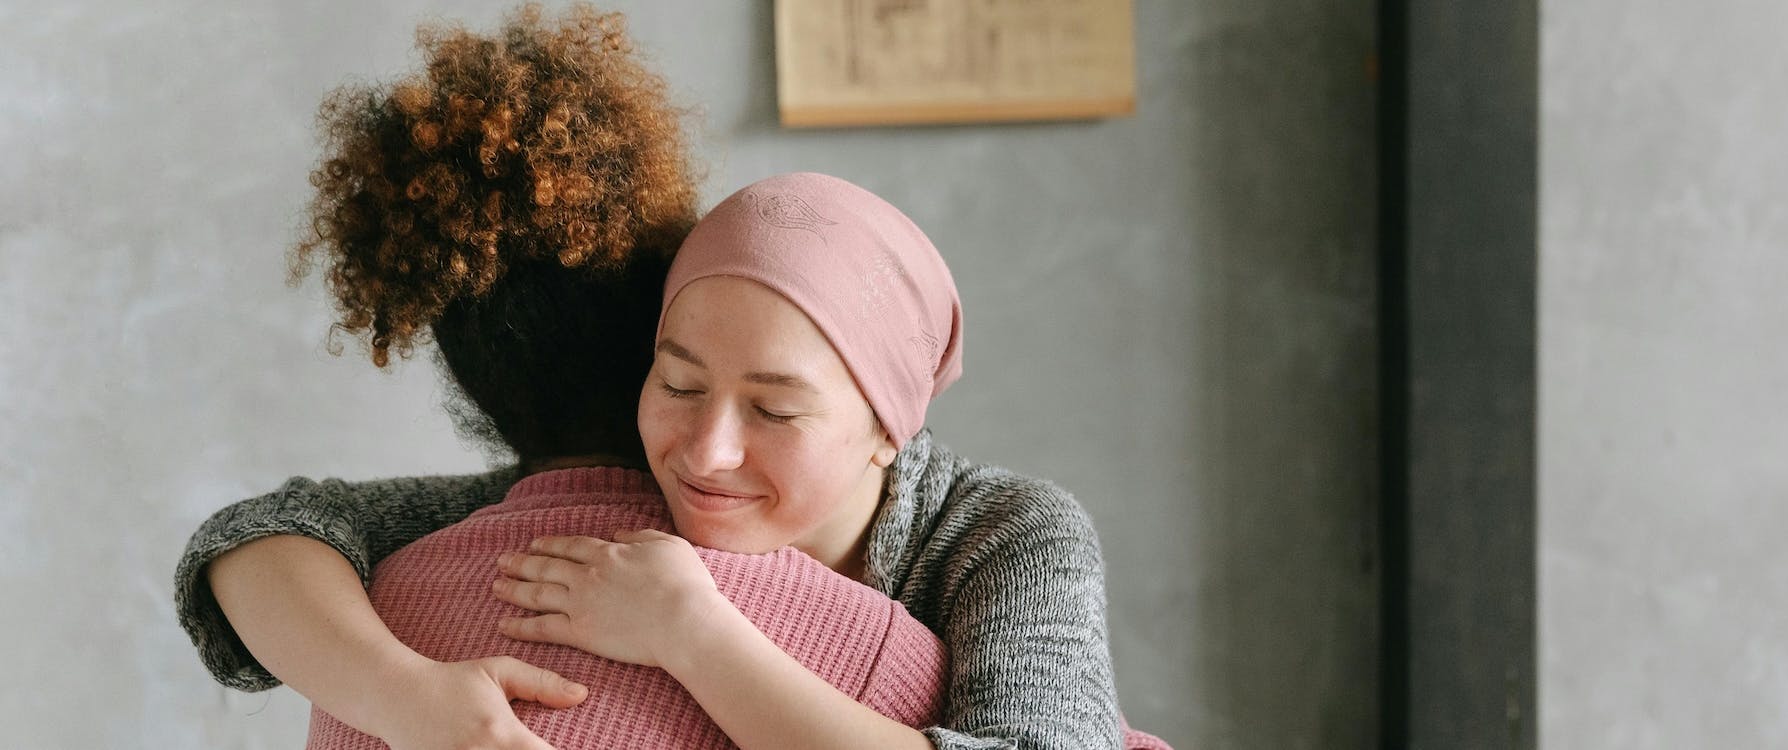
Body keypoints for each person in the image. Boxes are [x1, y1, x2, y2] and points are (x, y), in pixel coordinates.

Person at [177, 8, 1171, 750]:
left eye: (774, 407)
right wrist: (409, 699)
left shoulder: (1005, 535)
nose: (707, 449)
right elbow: (260, 539)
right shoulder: (641, 487)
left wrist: (696, 637)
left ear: (888, 425)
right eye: (679, 382)